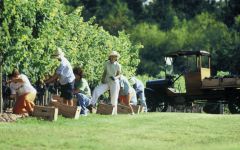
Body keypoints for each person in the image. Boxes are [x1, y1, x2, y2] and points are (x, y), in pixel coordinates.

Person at [91, 51, 121, 115]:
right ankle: (91, 105)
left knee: (114, 98)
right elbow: (105, 72)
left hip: (114, 82)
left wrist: (115, 78)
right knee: (97, 90)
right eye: (112, 56)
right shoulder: (106, 63)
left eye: (115, 56)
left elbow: (119, 75)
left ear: (116, 57)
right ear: (110, 57)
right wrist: (102, 79)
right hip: (107, 81)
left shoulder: (118, 65)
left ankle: (113, 113)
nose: (113, 57)